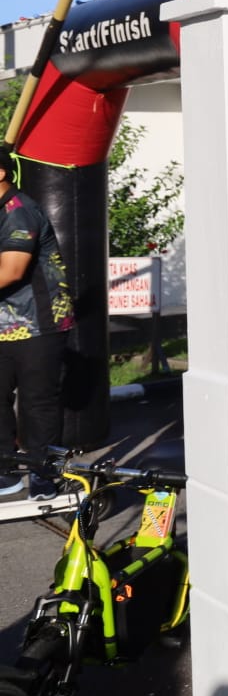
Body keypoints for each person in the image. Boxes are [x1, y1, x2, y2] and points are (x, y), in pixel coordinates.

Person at [0, 144, 74, 502]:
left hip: (39, 324)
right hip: (3, 325)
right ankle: (5, 472)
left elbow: (11, 271)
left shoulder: (20, 211)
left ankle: (47, 478)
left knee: (38, 403)